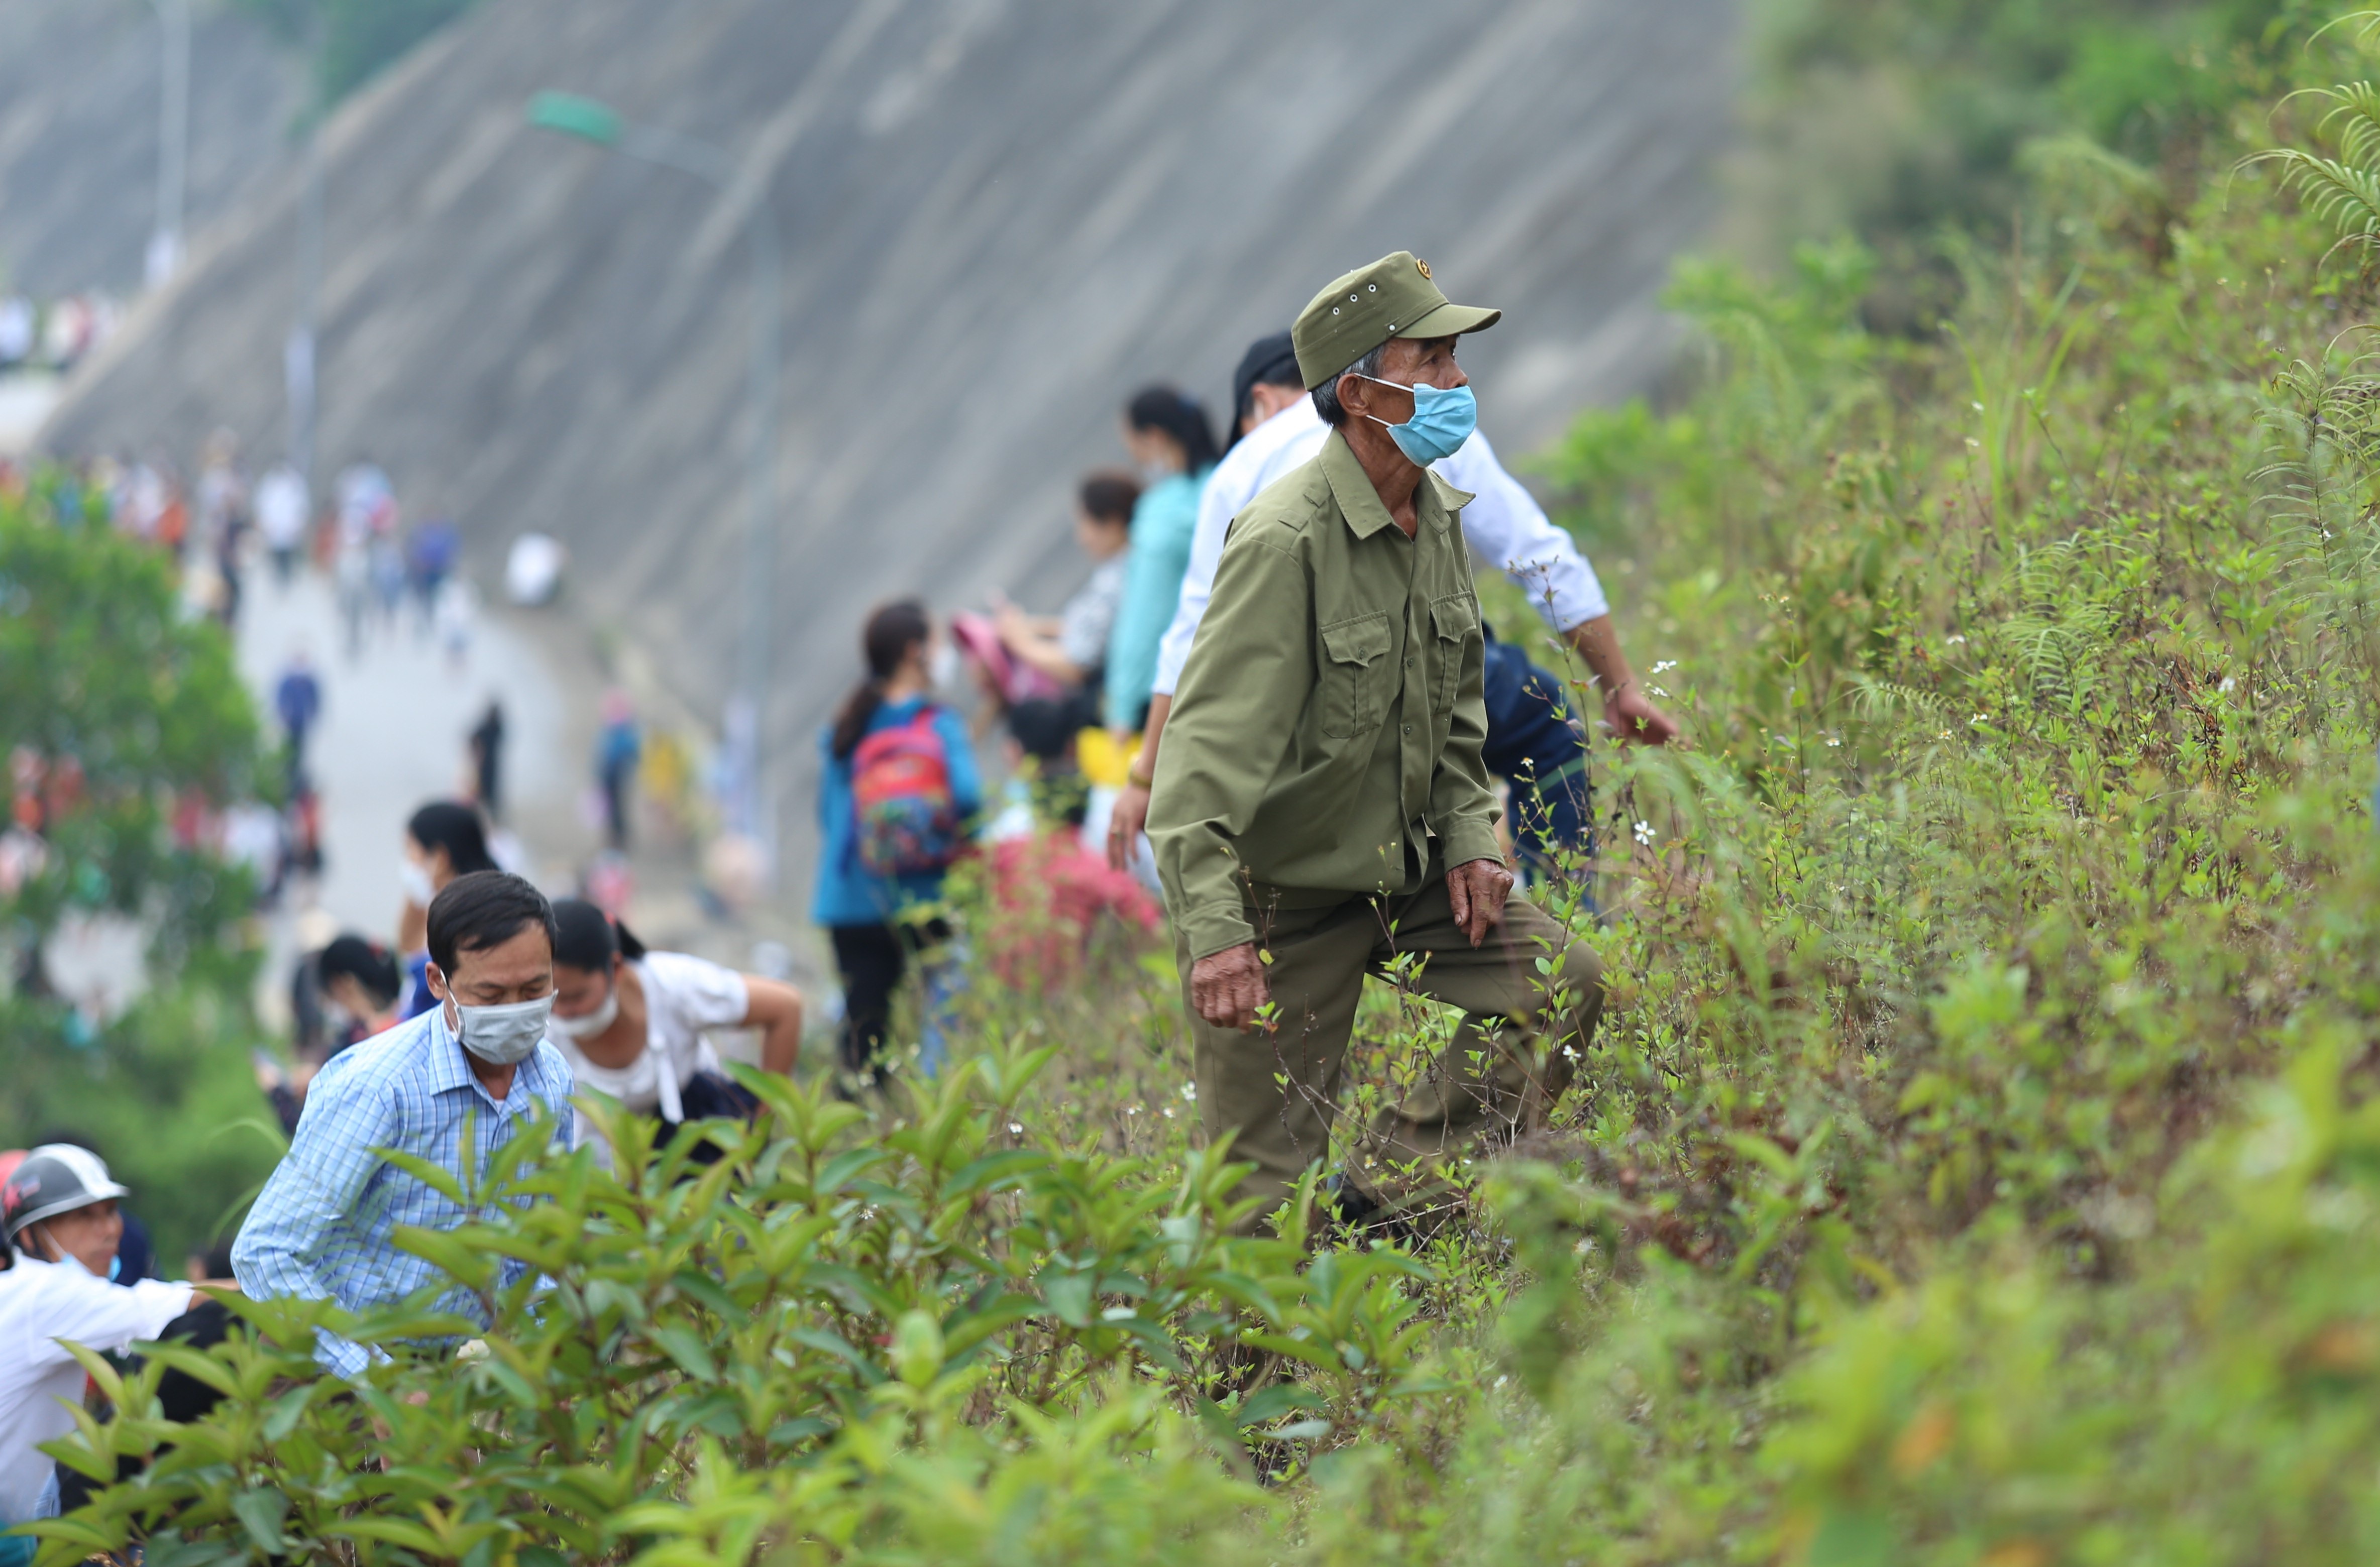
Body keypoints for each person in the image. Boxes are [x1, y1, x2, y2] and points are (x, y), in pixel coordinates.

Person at [1146, 253, 1608, 1230]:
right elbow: (1197, 761)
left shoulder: (1432, 513)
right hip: (1285, 904)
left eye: (1456, 361)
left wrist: (1471, 838)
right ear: (1361, 393)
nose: (1458, 385)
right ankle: (1242, 1379)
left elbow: (1450, 716)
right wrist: (1217, 937)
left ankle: (1385, 1208)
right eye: (1432, 362)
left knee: (1561, 986)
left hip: (1402, 875)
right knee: (1257, 1201)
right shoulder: (1283, 542)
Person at [1107, 327, 1679, 871]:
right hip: (1441, 681)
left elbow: (1191, 641)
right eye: (1435, 358)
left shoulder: (1240, 470)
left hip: (1319, 730)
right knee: (1547, 734)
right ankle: (1563, 922)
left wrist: (1145, 778)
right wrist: (1619, 685)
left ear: (1259, 402)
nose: (1454, 377)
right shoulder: (1421, 420)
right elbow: (1539, 556)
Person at [234, 871, 572, 1380]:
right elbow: (265, 1252)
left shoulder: (550, 1081)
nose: (514, 1011)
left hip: (461, 1365)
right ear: (438, 982)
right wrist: (377, 1379)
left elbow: (541, 1245)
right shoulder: (378, 1088)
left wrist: (550, 1355)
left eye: (533, 989)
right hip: (336, 1362)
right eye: (490, 993)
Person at [0, 1145, 208, 1549]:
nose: (110, 1229)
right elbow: (177, 1301)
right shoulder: (46, 1293)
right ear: (29, 1234)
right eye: (84, 1216)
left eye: (111, 1211)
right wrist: (272, 1288)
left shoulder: (19, 1292)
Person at [813, 601, 982, 1082]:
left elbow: (829, 817)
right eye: (937, 642)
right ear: (915, 652)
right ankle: (933, 1118)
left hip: (848, 899)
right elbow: (969, 798)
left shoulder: (846, 725)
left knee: (864, 1026)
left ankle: (862, 1129)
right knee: (944, 1016)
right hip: (927, 894)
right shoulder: (939, 723)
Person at [545, 902, 804, 1157]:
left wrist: (761, 1127)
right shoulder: (538, 1024)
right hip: (596, 1151)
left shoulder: (673, 986)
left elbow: (785, 1007)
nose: (563, 1011)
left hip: (697, 1131)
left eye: (576, 997)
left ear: (615, 968)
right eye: (553, 998)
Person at [953, 473, 1139, 719]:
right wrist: (1032, 629)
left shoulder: (1118, 578)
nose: (1081, 537)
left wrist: (1022, 643)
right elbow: (1098, 633)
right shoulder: (1128, 566)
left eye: (1085, 524)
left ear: (1112, 523)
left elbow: (1077, 665)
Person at [1105, 388, 1218, 736]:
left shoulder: (1160, 516)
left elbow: (1144, 617)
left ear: (1154, 437)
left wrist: (1121, 707)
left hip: (1172, 693)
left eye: (1133, 445)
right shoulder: (1228, 480)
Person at [396, 802, 500, 1019]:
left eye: (411, 851)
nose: (408, 863)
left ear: (440, 858)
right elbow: (406, 944)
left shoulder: (470, 915)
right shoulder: (437, 904)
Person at [595, 692, 640, 852]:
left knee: (617, 810)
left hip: (617, 776)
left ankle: (618, 839)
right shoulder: (620, 732)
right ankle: (616, 838)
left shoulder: (621, 733)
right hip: (612, 776)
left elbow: (630, 753)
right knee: (614, 809)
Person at [274, 649, 322, 790]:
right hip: (291, 722)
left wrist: (312, 715)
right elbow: (281, 699)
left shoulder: (308, 681)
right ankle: (290, 775)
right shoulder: (290, 680)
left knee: (300, 751)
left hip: (302, 722)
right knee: (290, 750)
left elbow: (315, 700)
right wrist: (284, 715)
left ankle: (297, 777)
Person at [255, 461, 308, 588]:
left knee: (288, 558)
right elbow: (262, 505)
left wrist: (298, 525)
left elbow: (301, 506)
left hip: (289, 529)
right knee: (275, 558)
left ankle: (287, 581)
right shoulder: (268, 483)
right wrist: (264, 524)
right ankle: (277, 581)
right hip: (273, 529)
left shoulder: (294, 483)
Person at [470, 701, 507, 819]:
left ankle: (490, 814)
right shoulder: (489, 728)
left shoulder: (495, 727)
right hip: (486, 763)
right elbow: (473, 740)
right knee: (484, 789)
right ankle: (483, 813)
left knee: (490, 790)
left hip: (491, 763)